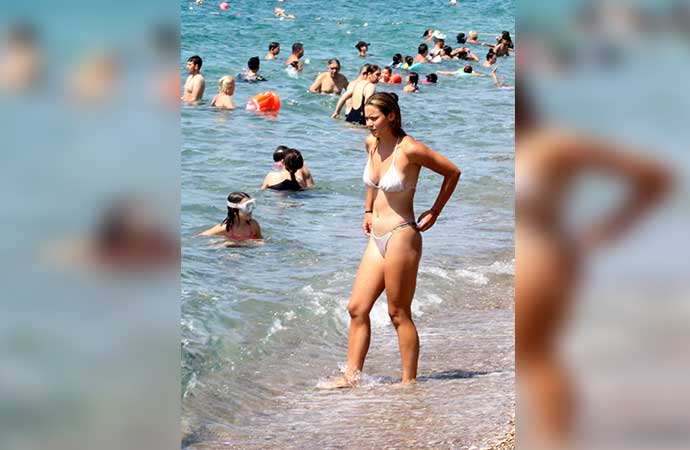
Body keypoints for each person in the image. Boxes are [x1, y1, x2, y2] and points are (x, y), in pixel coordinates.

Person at [516, 86, 670, 449]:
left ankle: (554, 439)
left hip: (544, 256)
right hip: (529, 255)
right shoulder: (523, 146)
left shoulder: (554, 143)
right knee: (532, 355)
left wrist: (609, 229)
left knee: (535, 354)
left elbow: (654, 176)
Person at [333, 92, 460, 387]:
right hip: (376, 236)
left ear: (391, 116)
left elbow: (453, 172)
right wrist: (367, 210)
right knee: (357, 308)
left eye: (373, 118)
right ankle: (351, 377)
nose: (368, 123)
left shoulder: (410, 149)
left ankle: (408, 384)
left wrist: (435, 210)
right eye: (366, 118)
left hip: (402, 234)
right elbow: (373, 182)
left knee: (398, 312)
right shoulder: (372, 143)